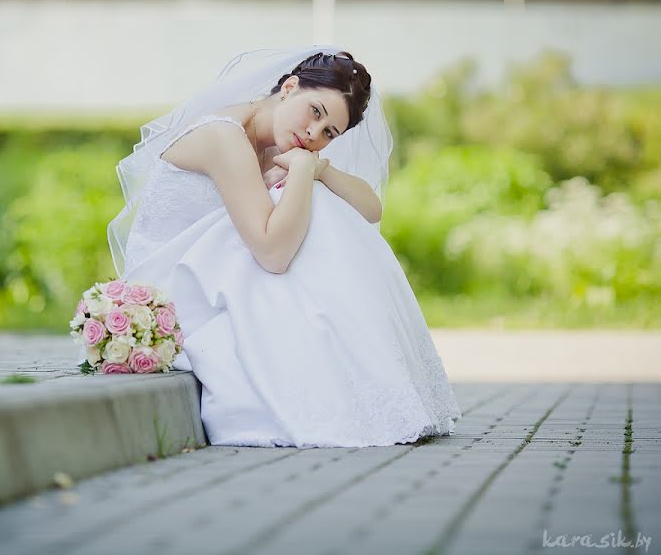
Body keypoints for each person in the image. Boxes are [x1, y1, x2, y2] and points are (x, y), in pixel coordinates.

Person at [107, 46, 461, 448]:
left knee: (323, 200)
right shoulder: (225, 137)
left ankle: (365, 376)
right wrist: (305, 173)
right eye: (315, 112)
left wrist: (319, 169)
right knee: (311, 203)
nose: (315, 134)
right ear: (290, 88)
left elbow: (370, 209)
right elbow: (273, 253)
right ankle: (350, 372)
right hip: (172, 285)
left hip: (214, 270)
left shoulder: (277, 144)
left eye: (330, 133)